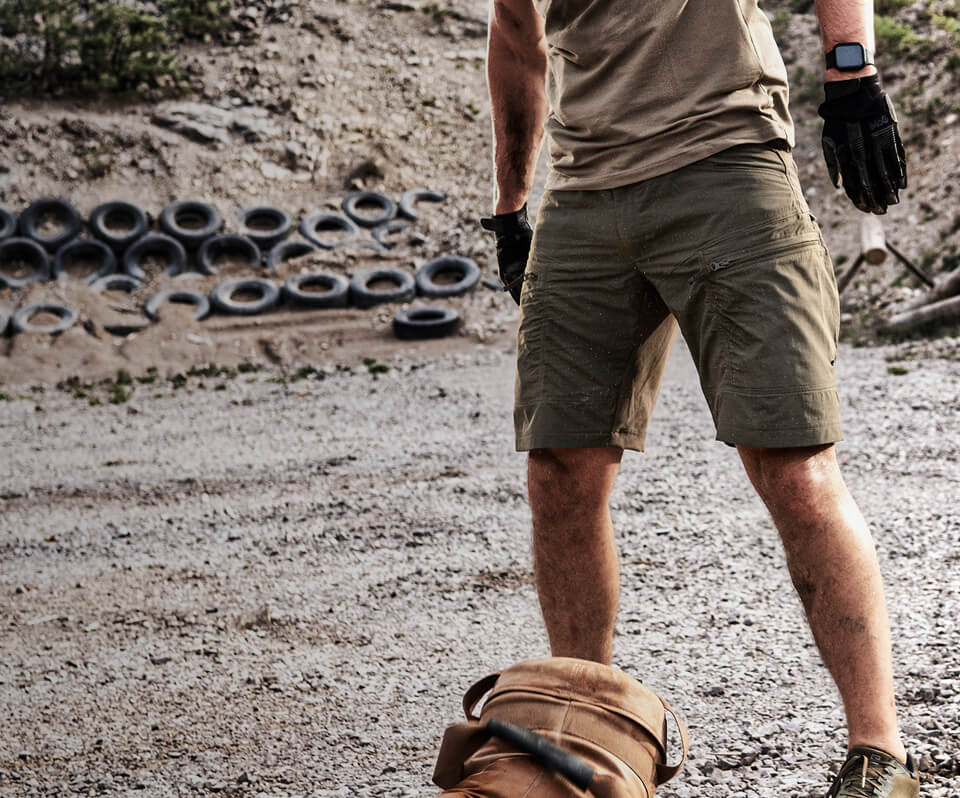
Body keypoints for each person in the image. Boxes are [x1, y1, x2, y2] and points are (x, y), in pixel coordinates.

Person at [479, 0, 916, 796]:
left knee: (796, 469)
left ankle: (880, 757)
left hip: (726, 159)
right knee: (560, 473)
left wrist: (851, 71)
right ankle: (585, 747)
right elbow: (515, 34)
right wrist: (511, 208)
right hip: (584, 189)